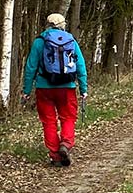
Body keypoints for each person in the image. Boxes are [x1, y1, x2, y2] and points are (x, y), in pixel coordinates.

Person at [22, 13, 89, 167]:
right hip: (67, 87)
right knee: (68, 117)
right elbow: (80, 65)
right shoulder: (71, 40)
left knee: (48, 121)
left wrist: (26, 90)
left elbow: (31, 67)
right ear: (63, 25)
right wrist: (83, 89)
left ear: (47, 25)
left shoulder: (40, 41)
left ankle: (55, 156)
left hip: (44, 88)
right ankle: (65, 144)